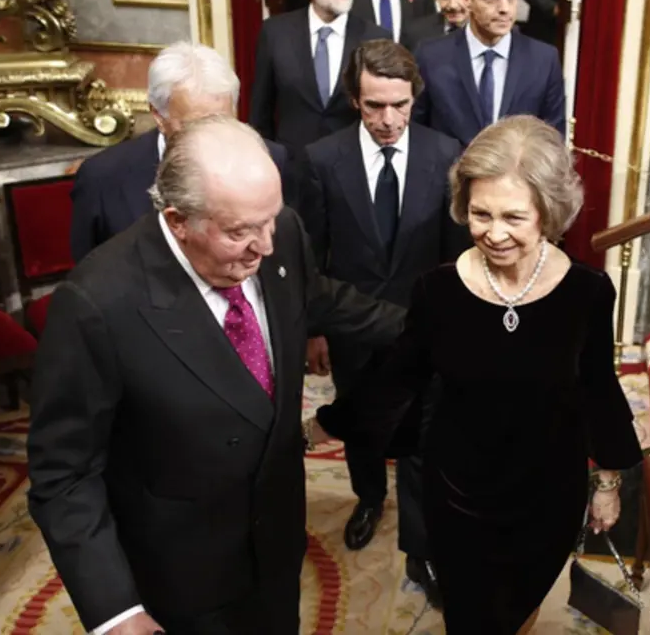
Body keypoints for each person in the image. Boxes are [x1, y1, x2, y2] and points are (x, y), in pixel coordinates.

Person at [27, 115, 406, 635]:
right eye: (240, 232)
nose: (265, 245)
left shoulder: (280, 234)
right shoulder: (97, 304)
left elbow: (321, 300)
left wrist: (433, 323)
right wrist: (115, 610)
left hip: (276, 539)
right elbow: (63, 475)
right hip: (184, 572)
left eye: (270, 220)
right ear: (179, 220)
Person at [313, 115, 642, 633]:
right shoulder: (438, 291)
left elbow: (598, 386)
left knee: (520, 609)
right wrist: (332, 422)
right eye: (479, 214)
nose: (494, 233)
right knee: (468, 617)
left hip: (548, 494)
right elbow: (400, 374)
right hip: (460, 495)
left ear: (549, 214)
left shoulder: (588, 292)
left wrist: (607, 481)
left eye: (514, 217)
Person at [301, 39, 469, 606]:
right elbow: (313, 260)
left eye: (400, 104)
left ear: (414, 96)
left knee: (424, 440)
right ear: (355, 99)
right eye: (375, 106)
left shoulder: (448, 155)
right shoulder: (321, 161)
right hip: (351, 331)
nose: (389, 119)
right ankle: (368, 498)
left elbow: (454, 261)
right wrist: (316, 330)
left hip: (426, 333)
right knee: (364, 425)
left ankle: (421, 551)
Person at [69, 42, 288, 262]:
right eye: (194, 126)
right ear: (158, 115)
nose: (210, 138)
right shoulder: (102, 179)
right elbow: (89, 279)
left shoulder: (269, 160)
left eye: (221, 122)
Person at [250, 0, 388, 211]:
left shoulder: (375, 38)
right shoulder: (276, 34)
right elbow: (260, 114)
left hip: (353, 175)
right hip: (292, 175)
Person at [413, 0, 566, 147]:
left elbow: (553, 142)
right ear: (468, 0)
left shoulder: (544, 60)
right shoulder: (430, 57)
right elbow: (417, 134)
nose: (504, 8)